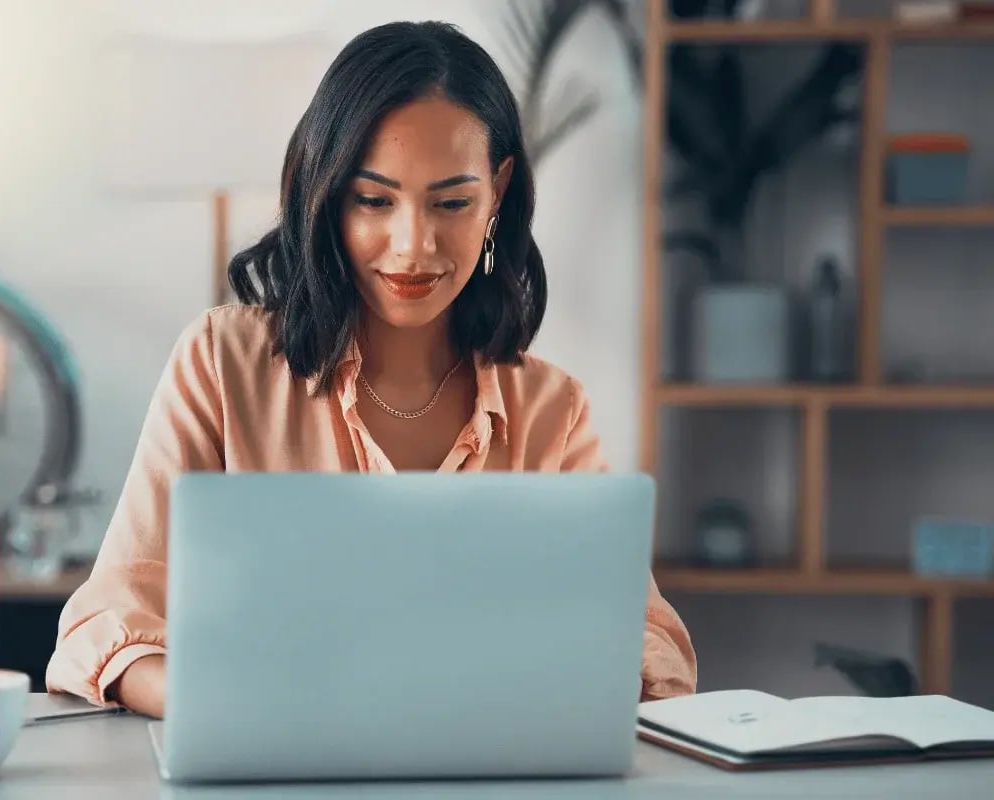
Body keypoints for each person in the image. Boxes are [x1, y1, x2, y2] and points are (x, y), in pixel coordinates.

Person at [45, 20, 696, 719]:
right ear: (326, 195)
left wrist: (558, 683)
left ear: (498, 194)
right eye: (373, 200)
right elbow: (107, 622)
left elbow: (646, 639)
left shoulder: (550, 411)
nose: (413, 246)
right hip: (267, 758)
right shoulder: (220, 363)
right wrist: (219, 704)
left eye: (451, 202)